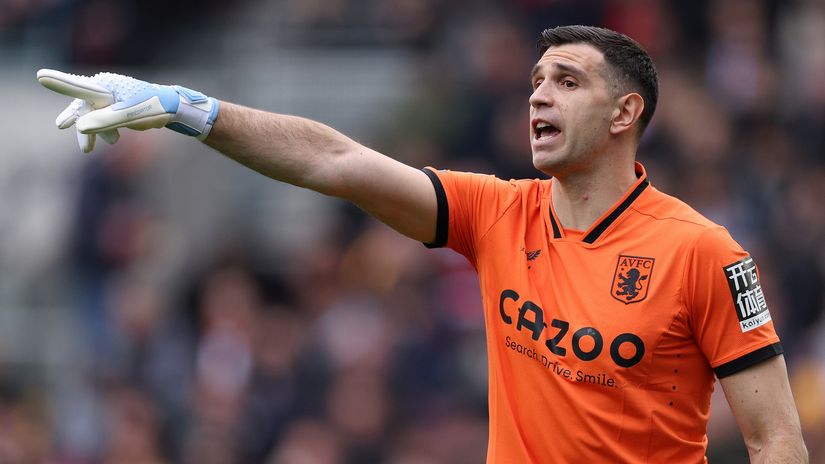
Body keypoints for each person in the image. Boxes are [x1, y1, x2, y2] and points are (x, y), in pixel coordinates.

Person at [38, 25, 807, 463]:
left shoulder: (704, 252)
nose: (538, 93)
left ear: (623, 113)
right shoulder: (496, 212)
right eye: (536, 79)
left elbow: (775, 441)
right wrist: (191, 111)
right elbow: (332, 160)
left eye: (567, 81)